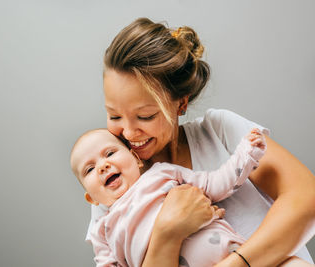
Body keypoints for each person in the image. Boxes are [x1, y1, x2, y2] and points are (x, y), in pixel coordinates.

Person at [84, 17, 315, 267]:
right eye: (114, 115)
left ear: (181, 103)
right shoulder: (112, 186)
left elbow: (306, 198)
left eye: (145, 116)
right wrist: (167, 232)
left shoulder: (219, 131)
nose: (128, 133)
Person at [71, 128, 293, 266]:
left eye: (109, 153)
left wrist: (245, 155)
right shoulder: (102, 230)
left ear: (136, 159)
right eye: (89, 169)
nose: (102, 166)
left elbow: (215, 184)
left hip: (234, 253)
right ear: (92, 199)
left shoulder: (163, 173)